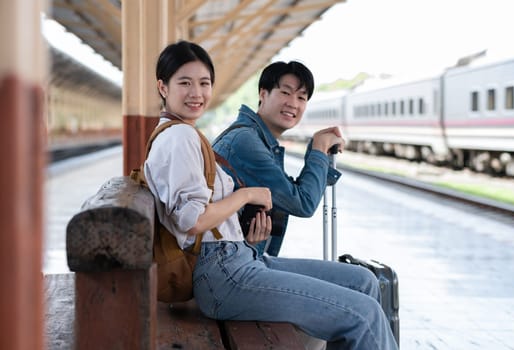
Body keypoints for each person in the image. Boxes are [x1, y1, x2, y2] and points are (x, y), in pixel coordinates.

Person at [144, 40, 398, 350]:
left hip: (240, 257)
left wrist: (242, 232)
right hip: (224, 273)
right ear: (163, 86)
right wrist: (247, 195)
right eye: (185, 83)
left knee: (363, 281)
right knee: (365, 313)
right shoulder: (181, 136)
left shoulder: (183, 133)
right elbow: (192, 220)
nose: (196, 93)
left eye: (204, 83)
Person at [212, 60, 343, 256]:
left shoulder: (255, 138)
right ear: (263, 94)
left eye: (302, 97)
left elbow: (294, 193)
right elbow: (303, 203)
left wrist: (318, 150)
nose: (293, 103)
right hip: (225, 263)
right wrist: (319, 148)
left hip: (239, 255)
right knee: (360, 279)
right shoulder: (246, 142)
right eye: (286, 92)